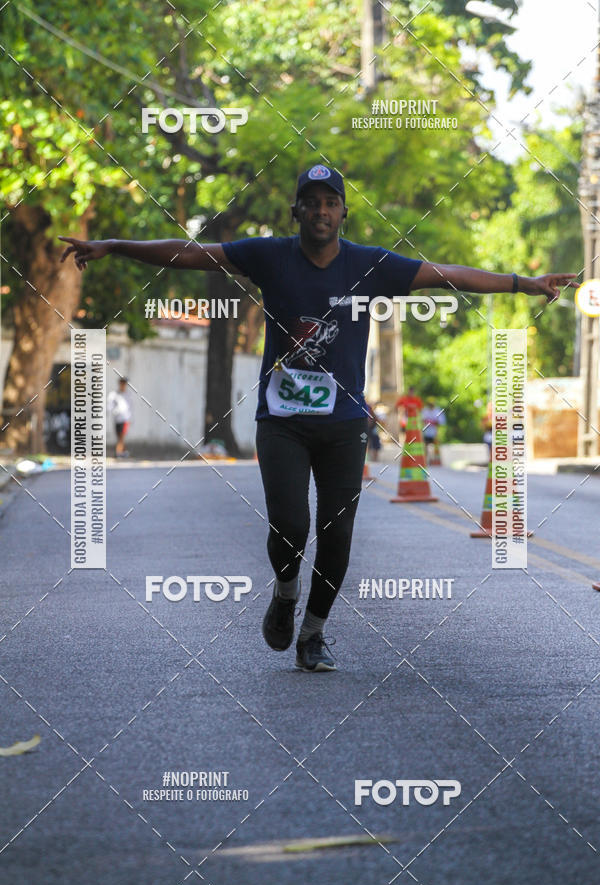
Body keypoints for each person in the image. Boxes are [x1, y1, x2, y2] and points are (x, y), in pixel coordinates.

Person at [60, 163, 579, 672]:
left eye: (331, 203)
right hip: (282, 419)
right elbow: (190, 254)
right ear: (297, 212)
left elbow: (446, 276)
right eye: (312, 203)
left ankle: (313, 633)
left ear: (344, 213)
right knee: (289, 524)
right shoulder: (267, 256)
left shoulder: (368, 265)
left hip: (344, 425)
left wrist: (524, 283)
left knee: (337, 534)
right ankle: (286, 594)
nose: (321, 211)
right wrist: (112, 246)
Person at [107, 376, 132, 458]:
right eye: (122, 383)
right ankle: (122, 452)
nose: (123, 385)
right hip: (117, 419)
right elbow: (110, 406)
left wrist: (129, 417)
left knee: (122, 437)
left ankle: (118, 453)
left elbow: (128, 407)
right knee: (119, 437)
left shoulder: (128, 394)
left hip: (125, 419)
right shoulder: (115, 394)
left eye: (125, 383)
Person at [422, 398, 446, 464]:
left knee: (436, 447)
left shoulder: (437, 411)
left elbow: (441, 422)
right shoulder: (425, 410)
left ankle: (435, 461)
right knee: (425, 446)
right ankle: (425, 460)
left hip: (435, 433)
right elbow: (422, 420)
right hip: (426, 432)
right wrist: (432, 422)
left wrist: (430, 422)